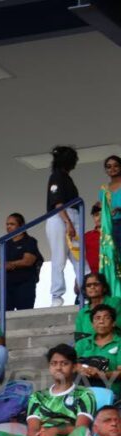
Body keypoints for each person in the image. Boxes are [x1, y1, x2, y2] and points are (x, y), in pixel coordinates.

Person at [0, 344, 97, 436]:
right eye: (53, 363)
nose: (58, 368)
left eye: (64, 363)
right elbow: (32, 431)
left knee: (81, 433)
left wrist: (55, 431)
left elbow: (81, 428)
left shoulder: (84, 394)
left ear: (74, 367)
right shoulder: (37, 397)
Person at [45, 146, 84, 306]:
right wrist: (68, 222)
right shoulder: (56, 176)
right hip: (61, 217)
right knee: (59, 257)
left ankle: (86, 292)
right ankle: (57, 296)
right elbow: (57, 202)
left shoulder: (66, 177)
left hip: (73, 216)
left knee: (80, 258)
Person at [0, 213, 43, 312]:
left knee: (25, 314)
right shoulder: (3, 243)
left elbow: (28, 261)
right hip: (4, 286)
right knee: (3, 316)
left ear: (21, 225)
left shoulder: (30, 241)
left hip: (24, 285)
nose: (8, 227)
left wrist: (9, 265)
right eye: (7, 224)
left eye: (12, 224)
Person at [75, 304, 121, 393]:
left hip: (113, 395)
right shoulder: (82, 343)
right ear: (92, 324)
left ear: (113, 323)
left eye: (106, 318)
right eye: (97, 318)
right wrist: (80, 368)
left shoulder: (119, 343)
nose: (101, 321)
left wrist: (100, 375)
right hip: (84, 395)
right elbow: (71, 364)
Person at [74, 272, 121, 342]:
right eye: (88, 285)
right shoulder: (82, 313)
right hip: (89, 350)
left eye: (96, 284)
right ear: (85, 290)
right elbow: (79, 339)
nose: (92, 287)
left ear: (104, 287)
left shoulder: (115, 302)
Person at [99, 156, 121, 291]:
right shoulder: (103, 188)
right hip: (110, 226)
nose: (112, 168)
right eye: (108, 166)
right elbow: (103, 208)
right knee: (114, 257)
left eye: (116, 165)